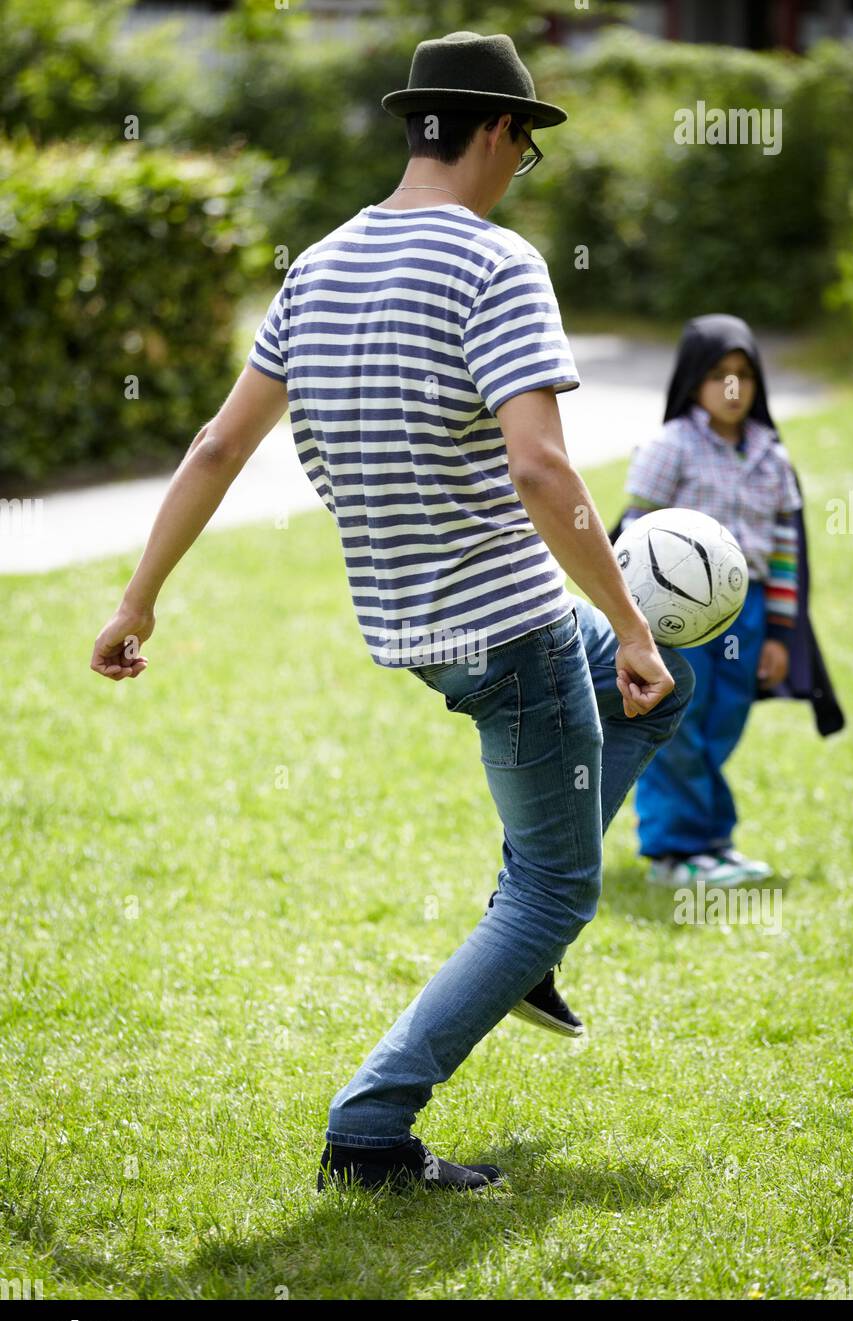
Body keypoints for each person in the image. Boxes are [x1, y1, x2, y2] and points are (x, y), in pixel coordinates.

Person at [90, 31, 694, 1194]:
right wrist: (623, 619)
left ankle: (519, 930)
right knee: (556, 888)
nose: (520, 171)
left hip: (423, 631)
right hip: (509, 632)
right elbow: (541, 471)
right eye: (524, 148)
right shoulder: (496, 264)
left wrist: (138, 600)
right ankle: (372, 1126)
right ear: (497, 132)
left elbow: (220, 444)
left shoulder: (315, 266)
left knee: (669, 689)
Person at [616, 314, 843, 889]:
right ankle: (673, 852)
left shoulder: (772, 456)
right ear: (693, 380)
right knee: (679, 724)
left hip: (750, 612)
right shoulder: (670, 448)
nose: (734, 389)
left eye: (745, 375)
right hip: (678, 617)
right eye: (720, 375)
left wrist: (779, 635)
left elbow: (788, 551)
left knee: (723, 722)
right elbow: (634, 537)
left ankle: (712, 844)